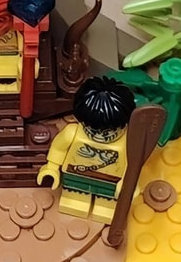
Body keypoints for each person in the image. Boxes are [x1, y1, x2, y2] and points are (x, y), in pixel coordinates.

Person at [36, 75, 135, 224]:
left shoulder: (128, 141)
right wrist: (52, 168)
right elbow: (59, 150)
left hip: (110, 181)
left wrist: (127, 183)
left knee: (106, 205)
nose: (100, 135)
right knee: (75, 199)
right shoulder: (72, 133)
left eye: (107, 131)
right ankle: (76, 203)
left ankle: (105, 209)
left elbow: (132, 163)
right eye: (93, 129)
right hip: (76, 176)